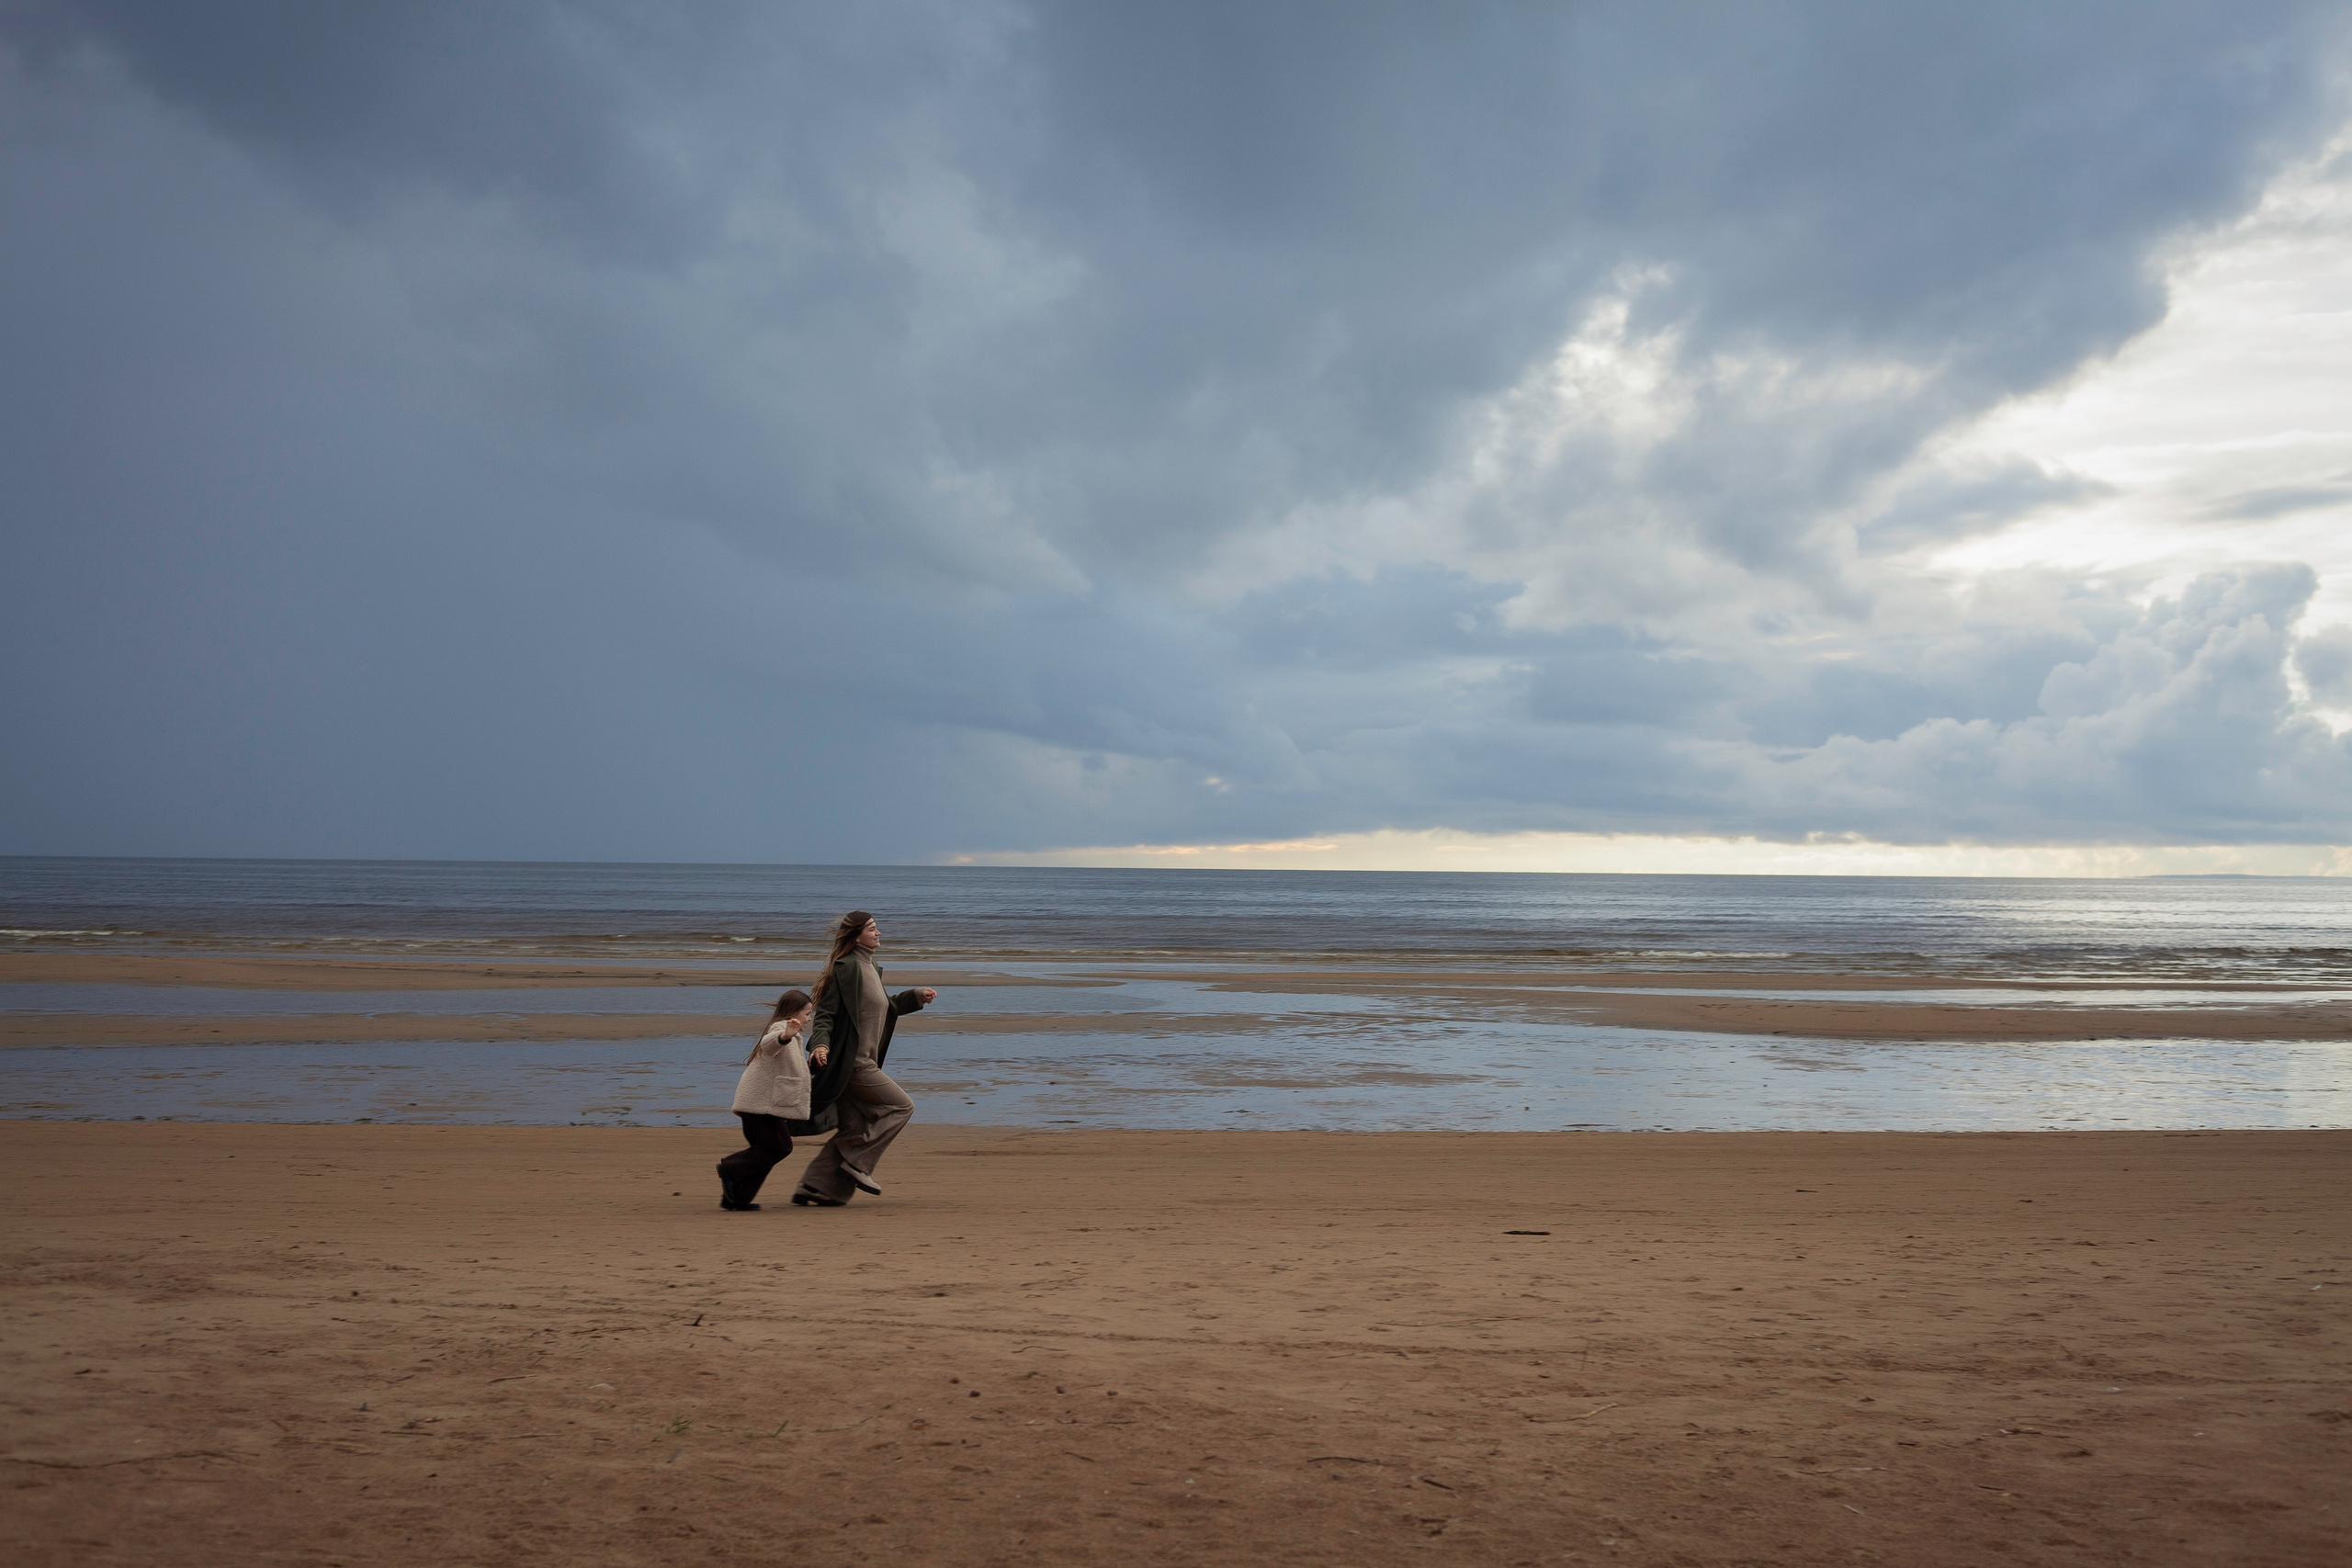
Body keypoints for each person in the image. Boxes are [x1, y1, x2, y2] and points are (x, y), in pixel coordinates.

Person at [791, 910, 936, 1207]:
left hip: (861, 1062)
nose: (878, 932)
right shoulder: (846, 969)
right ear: (857, 936)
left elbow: (885, 1007)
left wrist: (915, 996)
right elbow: (826, 1016)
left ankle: (815, 1186)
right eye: (872, 928)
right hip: (853, 1064)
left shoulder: (871, 967)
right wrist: (818, 1045)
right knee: (901, 1106)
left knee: (854, 1128)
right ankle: (856, 1162)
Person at [716, 988, 814, 1211]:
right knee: (780, 1147)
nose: (809, 1018)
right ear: (794, 1012)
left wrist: (811, 1067)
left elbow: (789, 1067)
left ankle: (738, 1198)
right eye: (807, 1013)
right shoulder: (780, 1028)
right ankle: (730, 1168)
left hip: (760, 1102)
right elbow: (770, 1044)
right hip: (761, 1105)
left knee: (764, 1151)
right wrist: (785, 1036)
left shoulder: (793, 1035)